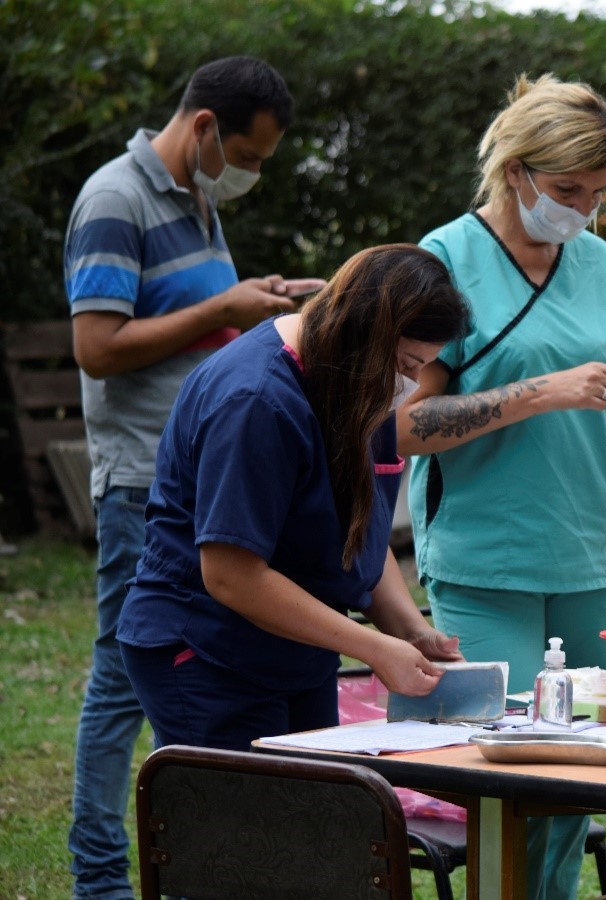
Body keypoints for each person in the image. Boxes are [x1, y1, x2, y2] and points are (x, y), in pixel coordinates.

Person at [398, 73, 606, 900]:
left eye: (598, 195)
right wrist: (538, 392)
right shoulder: (443, 260)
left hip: (593, 555)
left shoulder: (602, 264)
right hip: (487, 560)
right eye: (568, 190)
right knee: (509, 780)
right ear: (516, 171)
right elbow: (399, 426)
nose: (583, 210)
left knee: (578, 779)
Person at [62, 56, 315, 900]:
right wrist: (222, 309)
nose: (251, 172)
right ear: (205, 126)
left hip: (200, 475)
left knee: (187, 673)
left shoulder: (196, 197)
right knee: (119, 681)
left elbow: (195, 325)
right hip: (143, 480)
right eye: (248, 155)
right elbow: (97, 347)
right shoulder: (115, 199)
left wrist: (257, 299)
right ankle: (101, 880)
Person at [118, 243, 470, 753]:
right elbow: (232, 575)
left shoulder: (356, 381)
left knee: (315, 798)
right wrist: (374, 648)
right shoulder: (255, 400)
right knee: (248, 804)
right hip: (210, 653)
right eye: (406, 364)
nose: (411, 385)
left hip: (299, 650)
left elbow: (361, 532)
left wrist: (412, 633)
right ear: (365, 334)